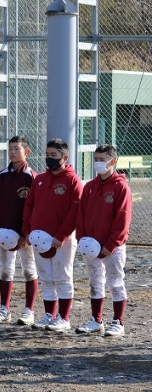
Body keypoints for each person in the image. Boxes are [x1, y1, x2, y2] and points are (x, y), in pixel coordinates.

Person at [22, 138, 83, 332]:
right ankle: (49, 314)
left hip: (61, 240)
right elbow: (29, 206)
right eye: (47, 155)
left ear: (65, 157)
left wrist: (61, 235)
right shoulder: (40, 179)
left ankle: (64, 318)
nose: (49, 158)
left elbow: (74, 212)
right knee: (46, 277)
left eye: (54, 155)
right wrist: (28, 231)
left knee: (62, 277)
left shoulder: (72, 180)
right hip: (39, 238)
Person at [74, 144, 132, 337]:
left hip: (111, 247)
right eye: (96, 159)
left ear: (112, 161)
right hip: (91, 246)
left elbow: (122, 219)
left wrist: (111, 244)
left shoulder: (121, 187)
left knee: (115, 282)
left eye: (102, 159)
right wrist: (82, 240)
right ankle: (96, 320)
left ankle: (118, 322)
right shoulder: (90, 187)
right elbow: (81, 215)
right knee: (95, 282)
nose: (98, 163)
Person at [0, 136, 38, 325]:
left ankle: (29, 310)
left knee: (29, 270)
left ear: (27, 152)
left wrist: (27, 234)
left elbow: (36, 208)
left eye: (17, 148)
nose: (12, 152)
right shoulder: (1, 176)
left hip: (25, 235)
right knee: (5, 270)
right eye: (10, 148)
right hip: (4, 233)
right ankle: (4, 309)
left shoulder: (32, 177)